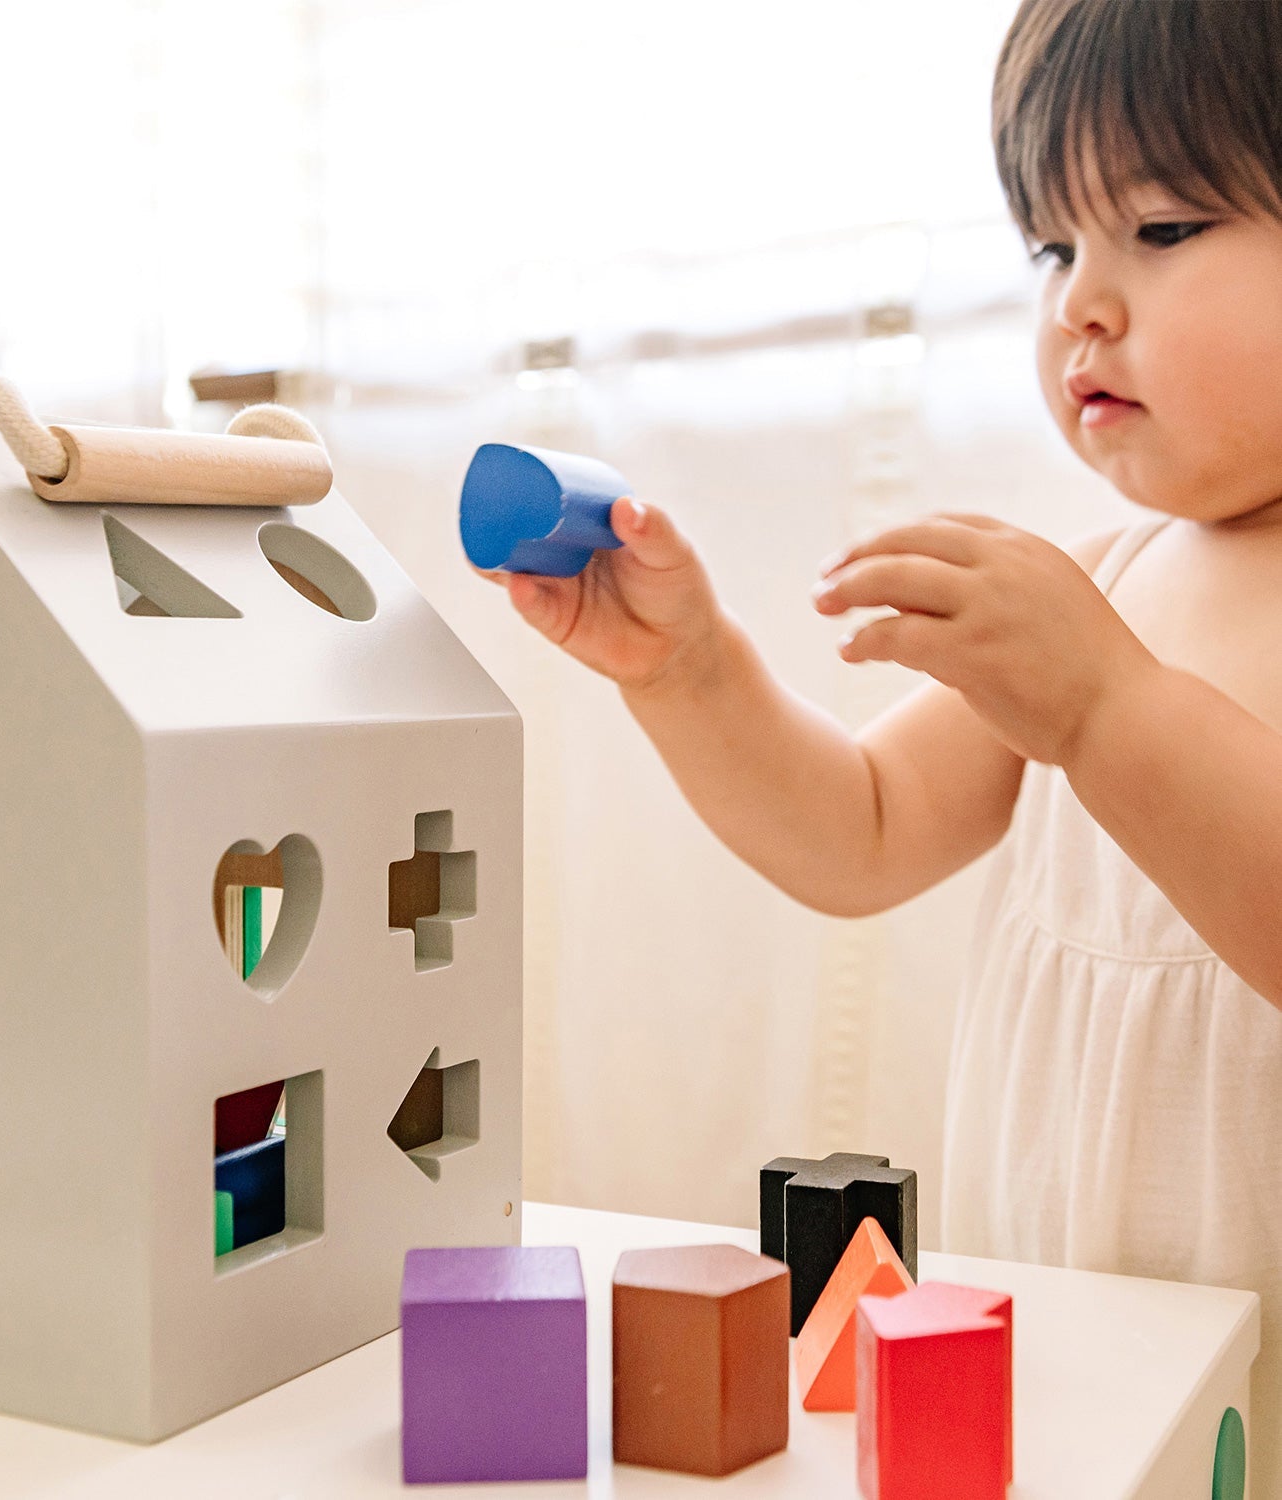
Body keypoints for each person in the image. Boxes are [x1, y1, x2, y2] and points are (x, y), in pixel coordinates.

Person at [479, 0, 1282, 1486]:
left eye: (1163, 227)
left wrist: (1107, 710)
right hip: (1074, 1313)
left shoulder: (1092, 654)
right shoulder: (1104, 586)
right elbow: (854, 831)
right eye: (1054, 246)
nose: (1079, 306)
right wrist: (688, 672)